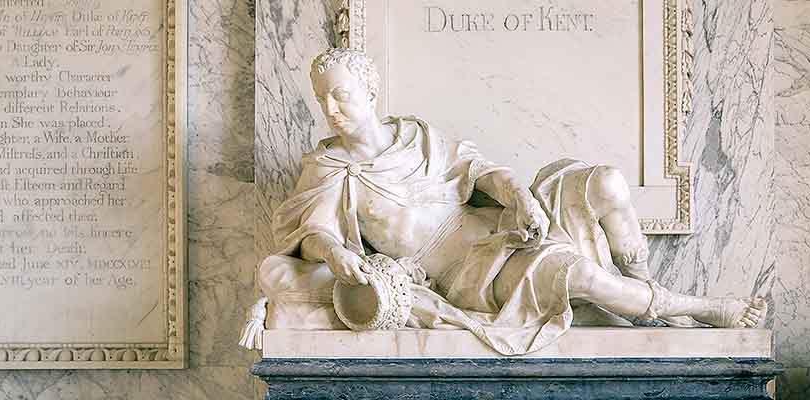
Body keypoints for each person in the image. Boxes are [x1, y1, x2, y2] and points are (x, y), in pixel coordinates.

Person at [254, 48, 766, 355]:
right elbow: (310, 233)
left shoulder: (419, 137)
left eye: (340, 94)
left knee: (607, 182)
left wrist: (520, 195)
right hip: (464, 276)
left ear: (370, 91)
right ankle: (701, 309)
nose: (331, 107)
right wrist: (336, 254)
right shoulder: (329, 168)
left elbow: (479, 171)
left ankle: (648, 292)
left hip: (505, 228)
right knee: (580, 275)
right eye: (322, 98)